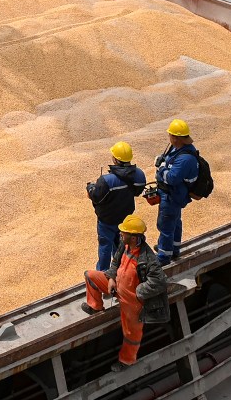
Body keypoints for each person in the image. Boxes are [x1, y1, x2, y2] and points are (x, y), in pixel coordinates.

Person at [81, 213, 169, 370]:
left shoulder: (149, 259)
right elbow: (115, 262)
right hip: (116, 286)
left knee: (131, 333)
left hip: (132, 301)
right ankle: (95, 305)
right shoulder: (125, 244)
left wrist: (139, 292)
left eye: (124, 232)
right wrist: (111, 278)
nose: (120, 233)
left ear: (134, 237)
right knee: (90, 276)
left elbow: (160, 282)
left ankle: (127, 361)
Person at [86, 141, 147, 272]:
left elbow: (97, 197)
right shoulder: (139, 175)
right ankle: (121, 270)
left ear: (115, 159)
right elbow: (137, 191)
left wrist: (90, 187)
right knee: (121, 245)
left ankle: (102, 273)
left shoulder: (107, 180)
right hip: (125, 219)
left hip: (107, 220)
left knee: (105, 246)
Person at [152, 119, 201, 265]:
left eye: (170, 135)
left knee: (165, 224)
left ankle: (163, 257)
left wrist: (161, 169)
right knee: (175, 221)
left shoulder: (185, 159)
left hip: (173, 195)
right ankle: (173, 248)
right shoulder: (179, 149)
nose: (169, 138)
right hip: (174, 194)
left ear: (176, 137)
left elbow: (172, 178)